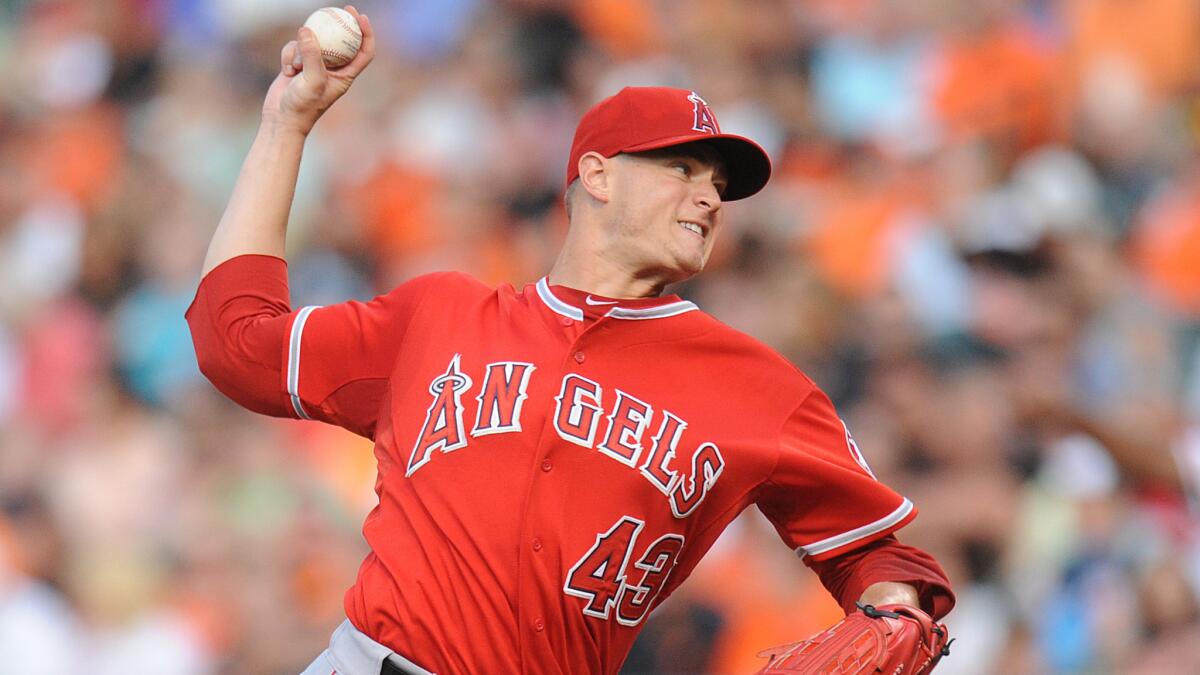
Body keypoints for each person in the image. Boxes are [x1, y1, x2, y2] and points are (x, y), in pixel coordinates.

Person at [186, 8, 955, 675]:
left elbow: (880, 554)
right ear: (597, 175)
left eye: (719, 185)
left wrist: (892, 602)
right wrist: (287, 122)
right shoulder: (439, 315)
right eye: (682, 169)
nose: (708, 197)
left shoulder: (759, 388)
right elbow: (237, 342)